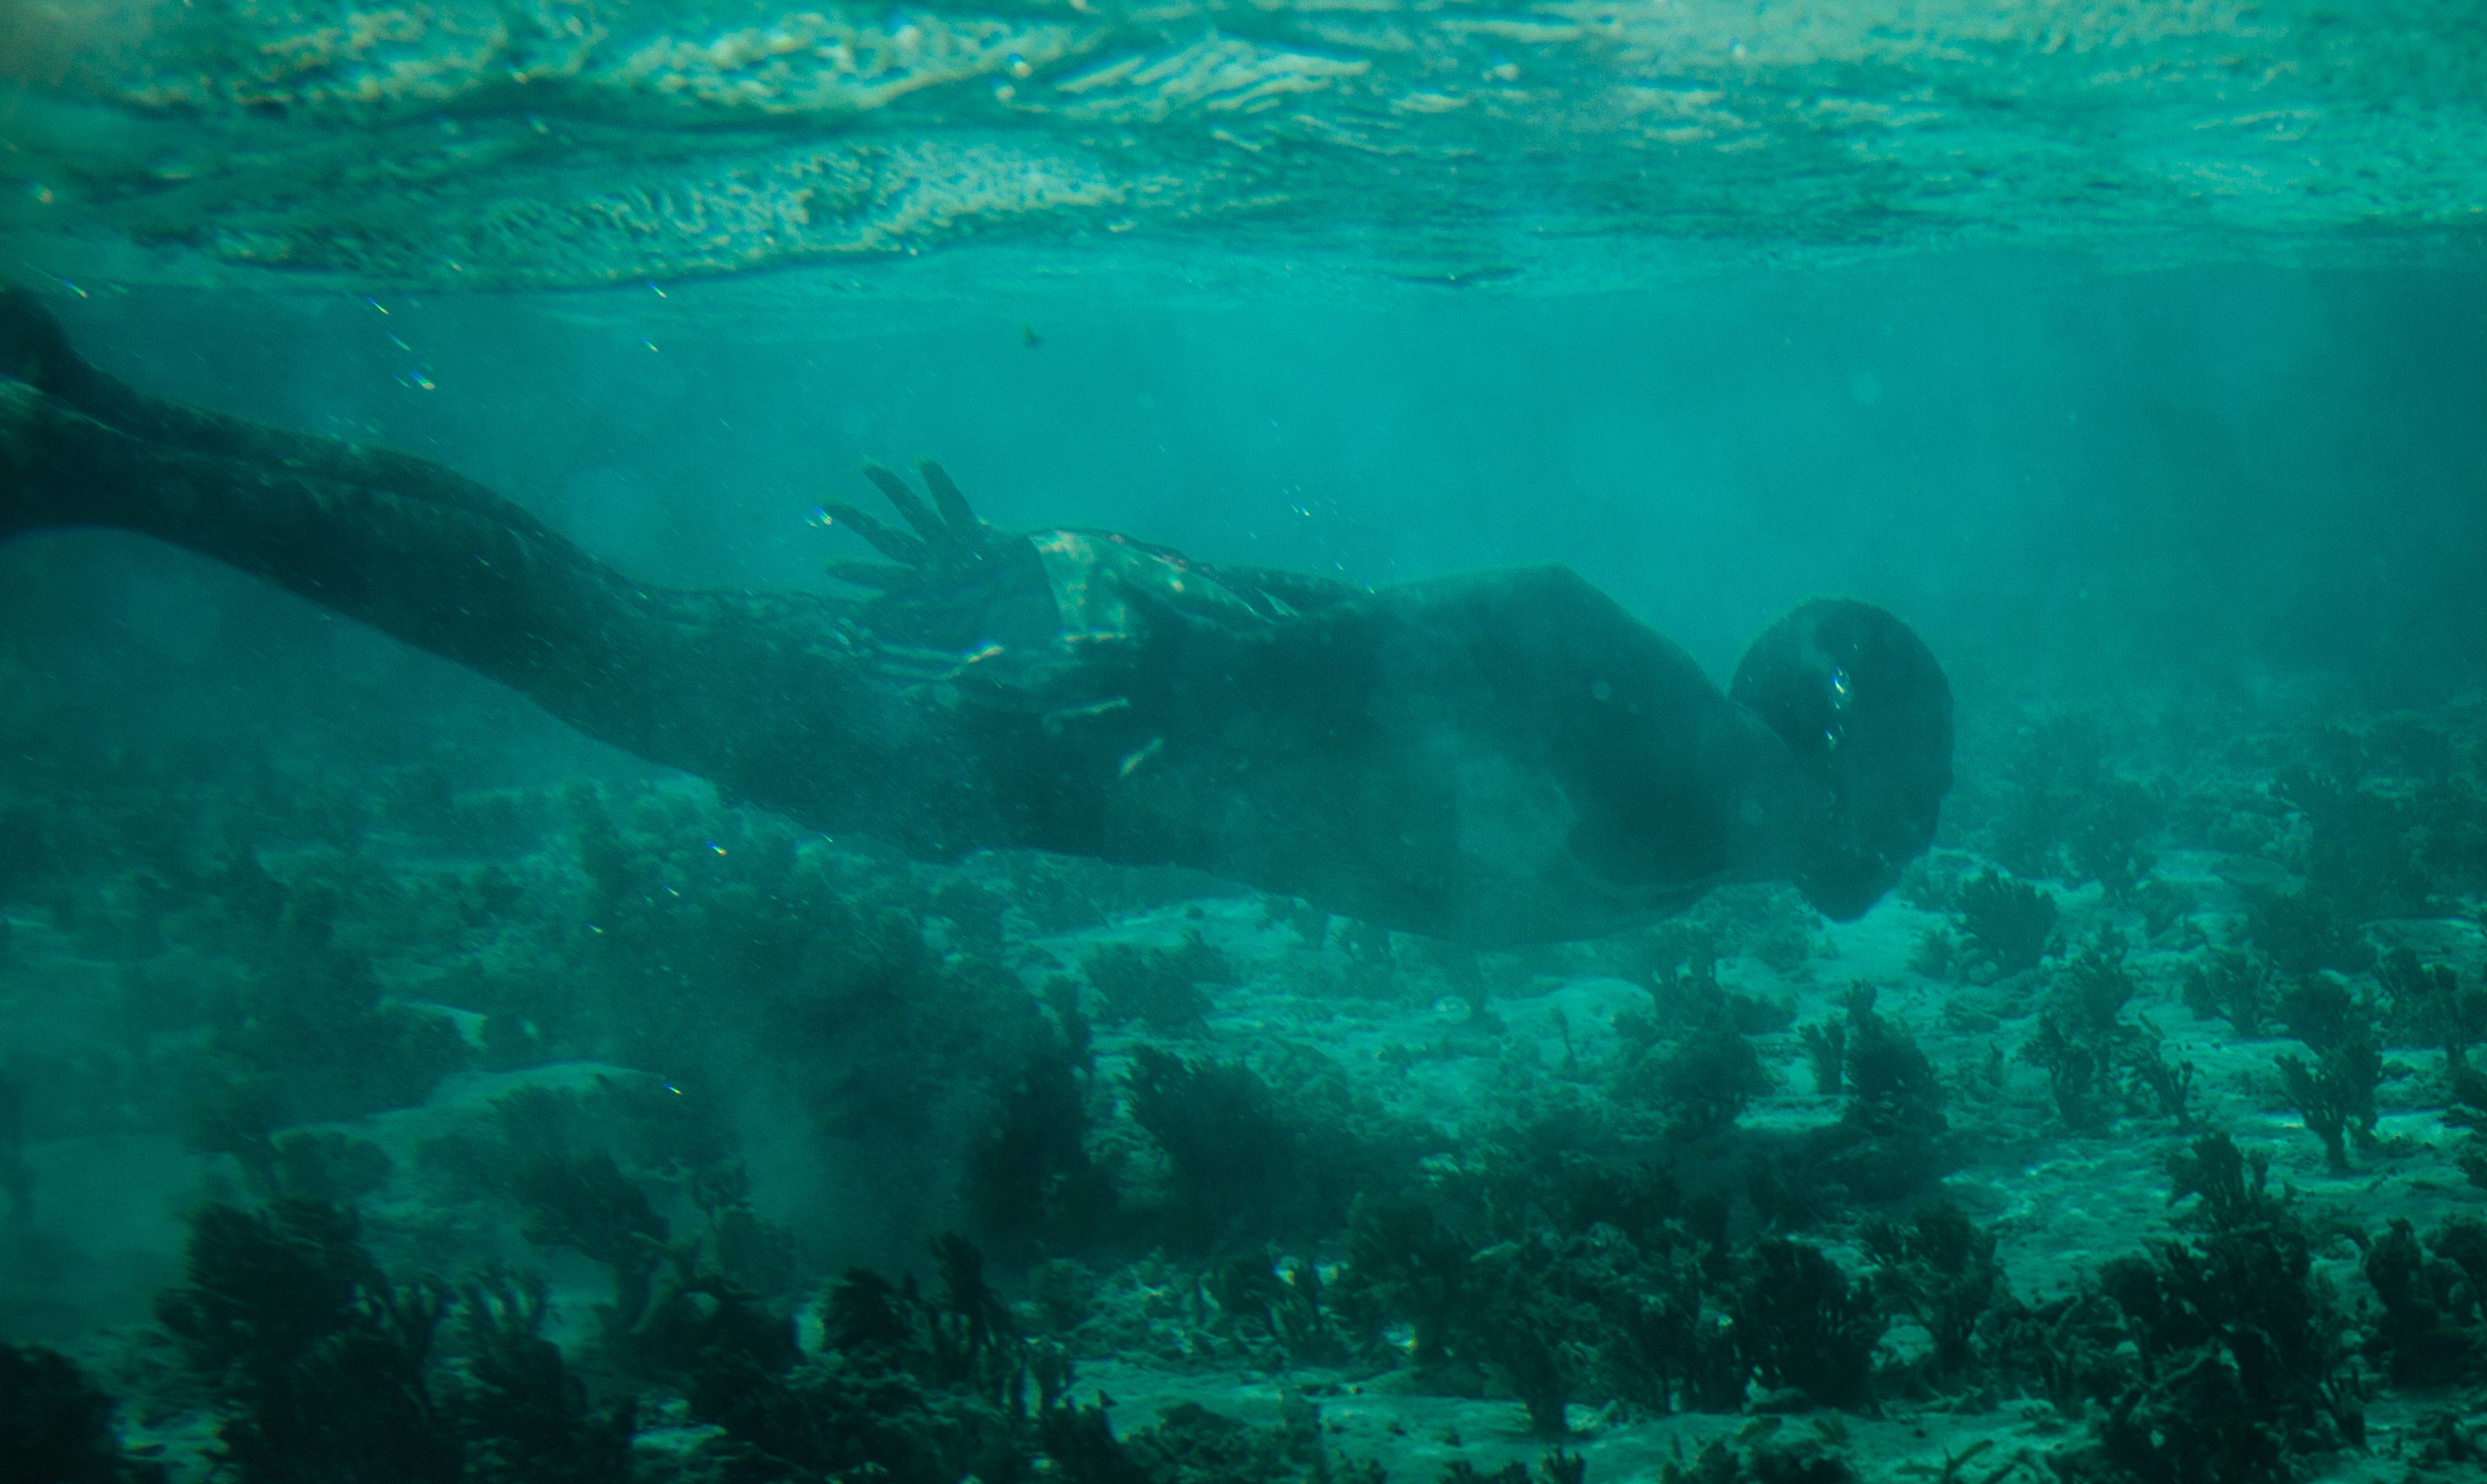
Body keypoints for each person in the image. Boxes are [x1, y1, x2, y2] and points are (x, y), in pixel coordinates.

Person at [0, 292, 1951, 945]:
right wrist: (1185, 648)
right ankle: (100, 462)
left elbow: (1397, 668)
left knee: (589, 617)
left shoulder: (1711, 826)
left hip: (1066, 732)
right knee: (580, 633)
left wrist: (1064, 572)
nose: (1915, 843)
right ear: (1845, 754)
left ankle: (107, 421)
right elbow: (1504, 608)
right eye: (1914, 798)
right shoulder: (1708, 765)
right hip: (1053, 730)